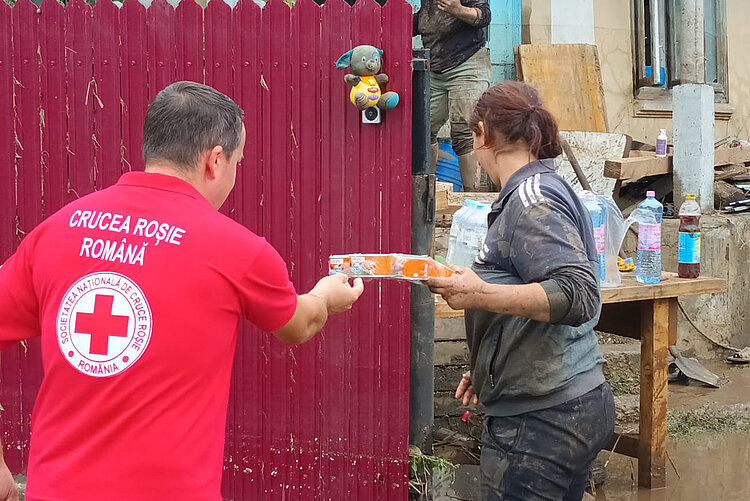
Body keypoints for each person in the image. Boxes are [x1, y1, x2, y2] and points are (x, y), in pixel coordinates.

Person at [0, 81, 364, 501]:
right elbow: (299, 324)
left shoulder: (57, 231)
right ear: (215, 161)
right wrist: (325, 296)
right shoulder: (237, 250)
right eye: (237, 163)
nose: (233, 176)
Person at [428, 81, 615, 501]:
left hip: (543, 421)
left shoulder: (532, 201)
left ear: (484, 135)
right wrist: (495, 363)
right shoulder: (535, 191)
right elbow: (527, 285)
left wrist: (478, 295)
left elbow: (578, 294)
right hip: (560, 404)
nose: (474, 151)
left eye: (473, 139)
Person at [413, 0, 492, 191]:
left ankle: (470, 199)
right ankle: (426, 196)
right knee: (424, 129)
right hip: (434, 68)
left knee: (464, 131)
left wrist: (457, 9)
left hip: (467, 64)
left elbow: (484, 16)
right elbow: (423, 20)